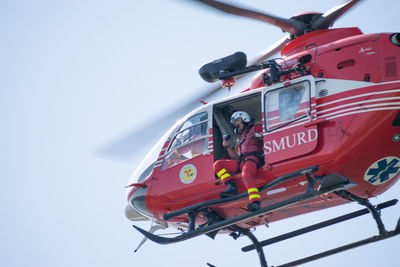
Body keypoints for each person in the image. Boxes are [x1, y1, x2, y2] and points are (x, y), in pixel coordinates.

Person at [213, 111, 264, 211]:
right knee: (218, 165)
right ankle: (231, 185)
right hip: (243, 161)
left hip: (253, 158)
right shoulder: (240, 139)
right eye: (234, 123)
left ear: (244, 119)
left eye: (237, 121)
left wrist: (261, 135)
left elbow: (268, 135)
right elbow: (236, 157)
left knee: (246, 174)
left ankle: (255, 202)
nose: (235, 124)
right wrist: (227, 147)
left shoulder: (256, 127)